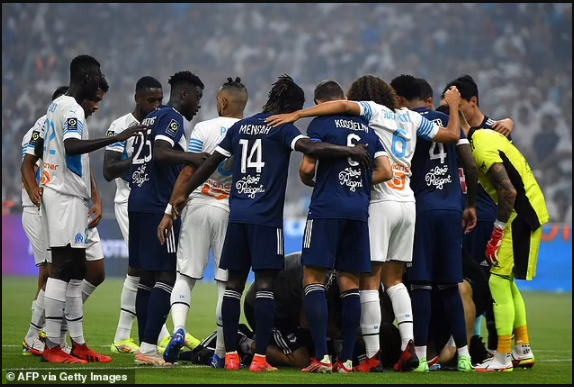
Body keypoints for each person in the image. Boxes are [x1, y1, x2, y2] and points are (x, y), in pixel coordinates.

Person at [158, 74, 371, 373]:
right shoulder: (282, 128)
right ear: (290, 107)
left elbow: (208, 164)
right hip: (267, 222)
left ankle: (231, 355)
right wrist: (350, 151)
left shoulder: (241, 127)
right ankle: (259, 359)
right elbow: (312, 149)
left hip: (238, 217)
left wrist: (182, 195)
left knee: (233, 286)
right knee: (266, 287)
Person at [266, 75, 462, 373]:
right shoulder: (402, 120)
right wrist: (456, 107)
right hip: (405, 201)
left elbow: (317, 151)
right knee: (393, 280)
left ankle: (365, 354)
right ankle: (411, 349)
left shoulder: (370, 112)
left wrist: (299, 115)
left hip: (373, 203)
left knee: (355, 280)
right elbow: (449, 136)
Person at [39, 55, 145, 364]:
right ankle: (53, 347)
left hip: (68, 195)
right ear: (86, 77)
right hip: (64, 196)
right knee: (61, 268)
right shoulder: (71, 109)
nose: (99, 81)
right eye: (96, 76)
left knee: (75, 270)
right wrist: (115, 139)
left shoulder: (56, 106)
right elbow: (72, 146)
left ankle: (78, 344)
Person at [298, 80, 392, 374]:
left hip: (327, 209)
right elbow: (386, 171)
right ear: (345, 98)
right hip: (357, 211)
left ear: (318, 101)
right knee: (350, 284)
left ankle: (322, 358)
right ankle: (348, 360)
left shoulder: (320, 123)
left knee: (313, 278)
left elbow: (307, 169)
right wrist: (360, 184)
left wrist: (314, 182)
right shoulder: (368, 128)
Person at [390, 75, 478, 373]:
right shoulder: (446, 119)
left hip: (421, 209)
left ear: (400, 99)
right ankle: (465, 356)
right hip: (452, 208)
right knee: (451, 286)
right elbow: (470, 163)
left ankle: (423, 359)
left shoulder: (405, 123)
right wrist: (471, 204)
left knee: (421, 286)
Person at [163, 77, 249, 367]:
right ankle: (221, 353)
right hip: (230, 210)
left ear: (222, 103)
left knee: (185, 276)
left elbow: (189, 172)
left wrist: (170, 207)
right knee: (225, 285)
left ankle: (179, 331)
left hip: (199, 205)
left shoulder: (203, 128)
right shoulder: (249, 132)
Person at [128, 71, 207, 367]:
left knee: (145, 278)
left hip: (137, 200)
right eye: (197, 97)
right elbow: (160, 154)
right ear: (184, 95)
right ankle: (148, 348)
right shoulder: (172, 117)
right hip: (157, 203)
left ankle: (144, 349)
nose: (199, 104)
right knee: (166, 275)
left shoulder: (149, 118)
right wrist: (191, 158)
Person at [443, 75, 514, 353]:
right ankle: (474, 343)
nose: (454, 109)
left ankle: (501, 346)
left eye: (458, 104)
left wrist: (508, 122)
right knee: (468, 284)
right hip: (461, 219)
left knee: (492, 284)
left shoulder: (495, 132)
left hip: (486, 219)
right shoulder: (452, 131)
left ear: (473, 101)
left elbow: (509, 178)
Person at [467, 127, 548, 373]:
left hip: (519, 216)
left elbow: (509, 191)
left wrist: (498, 231)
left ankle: (502, 356)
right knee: (508, 282)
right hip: (529, 212)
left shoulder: (480, 147)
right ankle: (522, 350)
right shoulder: (489, 135)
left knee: (498, 281)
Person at [102, 76, 169, 354]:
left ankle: (126, 336)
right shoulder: (120, 126)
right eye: (150, 100)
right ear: (137, 99)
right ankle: (161, 335)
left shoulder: (162, 125)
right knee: (146, 269)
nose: (155, 105)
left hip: (153, 202)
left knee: (141, 269)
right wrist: (140, 158)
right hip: (128, 200)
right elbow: (108, 170)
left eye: (159, 100)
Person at [20, 85, 68, 356]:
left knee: (54, 271)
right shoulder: (40, 127)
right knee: (52, 271)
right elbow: (27, 166)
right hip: (36, 209)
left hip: (53, 209)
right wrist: (35, 192)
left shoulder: (63, 129)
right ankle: (33, 334)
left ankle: (38, 335)